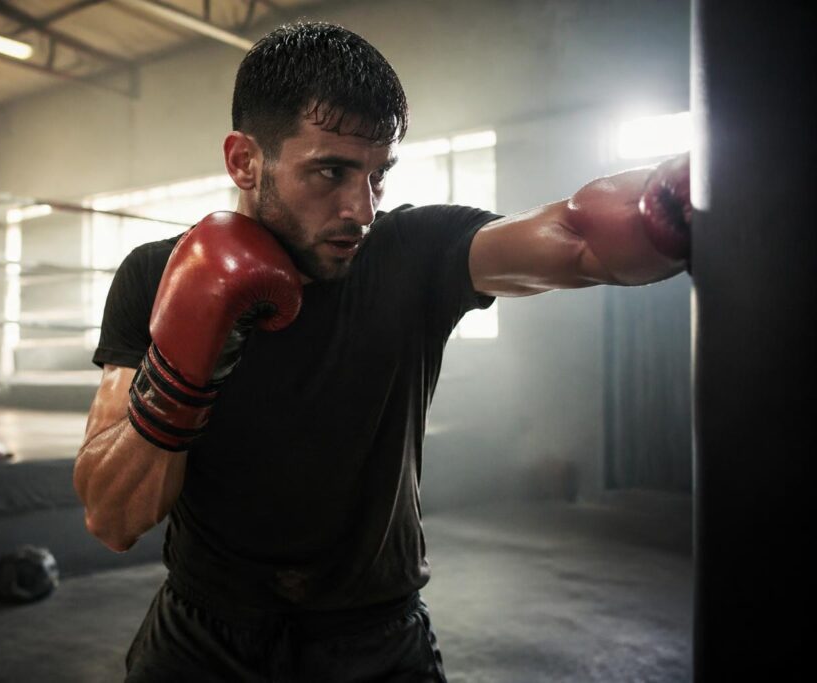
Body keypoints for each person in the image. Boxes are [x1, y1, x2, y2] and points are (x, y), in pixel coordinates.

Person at [73, 21, 691, 683]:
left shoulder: (413, 253)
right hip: (204, 632)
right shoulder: (155, 274)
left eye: (378, 175)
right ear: (245, 161)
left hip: (372, 638)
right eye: (330, 172)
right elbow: (113, 515)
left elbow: (576, 240)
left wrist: (671, 210)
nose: (361, 209)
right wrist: (184, 362)